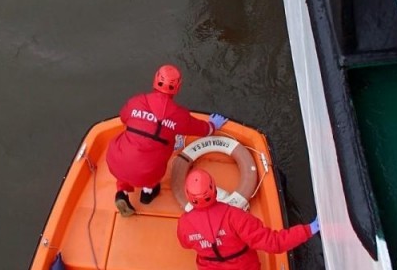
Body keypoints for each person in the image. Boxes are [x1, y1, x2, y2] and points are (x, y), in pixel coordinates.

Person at [106, 64, 228, 217]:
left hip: (115, 161)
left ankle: (121, 192)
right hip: (147, 172)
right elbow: (202, 130)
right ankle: (147, 194)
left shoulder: (136, 101)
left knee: (126, 157)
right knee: (151, 168)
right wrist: (212, 125)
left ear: (155, 80)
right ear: (178, 87)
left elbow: (124, 117)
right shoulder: (180, 115)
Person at [177, 169, 320, 270]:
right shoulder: (235, 217)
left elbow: (186, 244)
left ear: (189, 196)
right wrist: (309, 229)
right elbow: (273, 243)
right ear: (214, 189)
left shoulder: (184, 223)